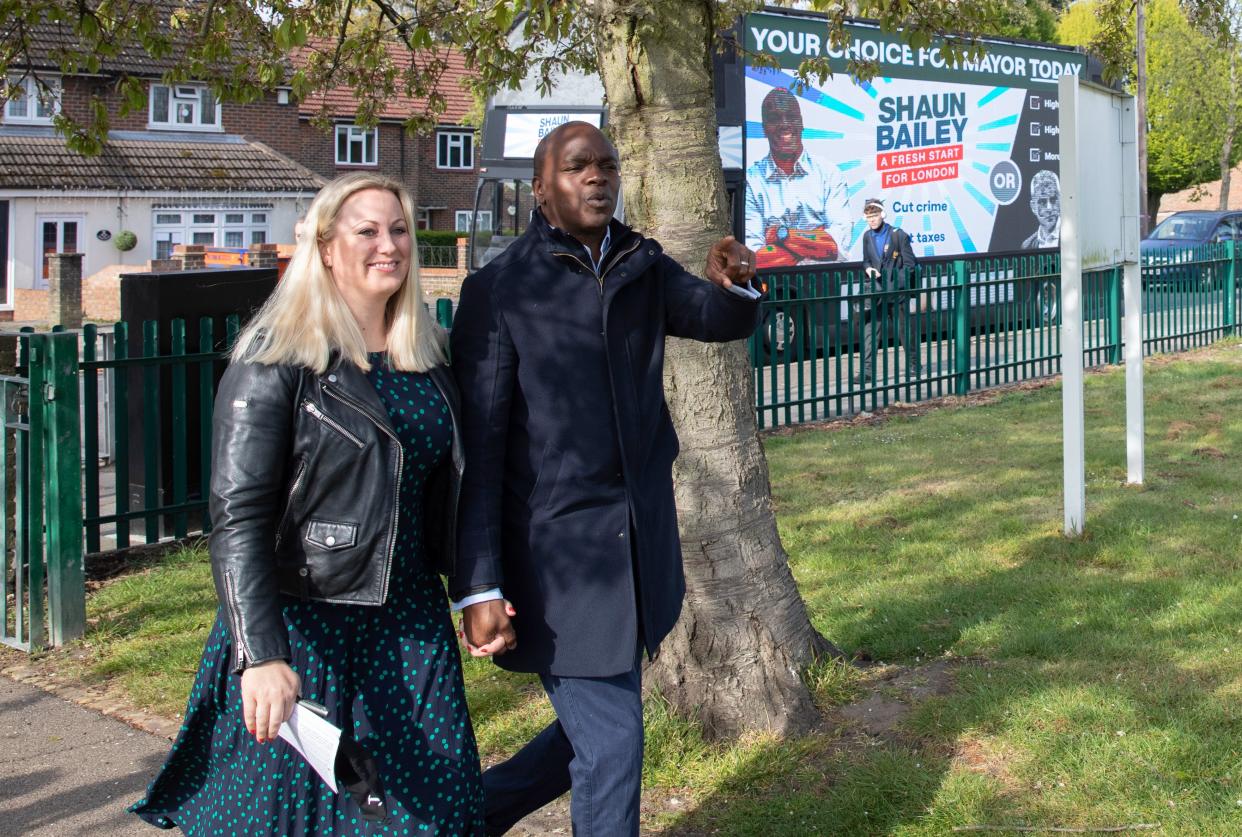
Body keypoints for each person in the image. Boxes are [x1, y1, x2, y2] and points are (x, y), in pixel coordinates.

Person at [130, 172, 485, 835]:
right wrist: (260, 654)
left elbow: (449, 493)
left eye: (400, 228)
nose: (391, 245)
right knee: (290, 820)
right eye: (368, 231)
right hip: (303, 625)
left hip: (409, 625)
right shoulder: (277, 359)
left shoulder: (427, 359)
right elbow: (238, 516)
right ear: (325, 248)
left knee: (429, 814)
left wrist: (476, 588)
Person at [449, 121, 761, 836]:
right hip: (557, 564)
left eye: (607, 165)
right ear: (541, 189)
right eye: (578, 166)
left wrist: (734, 284)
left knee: (597, 729)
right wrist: (479, 583)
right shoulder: (499, 290)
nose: (598, 177)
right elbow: (483, 453)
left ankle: (461, 816)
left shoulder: (640, 264)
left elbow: (713, 318)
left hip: (637, 554)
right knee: (614, 742)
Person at [744, 86, 853, 268]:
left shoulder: (829, 174)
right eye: (774, 118)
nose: (784, 124)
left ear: (801, 123)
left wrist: (781, 235)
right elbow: (754, 258)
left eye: (791, 116)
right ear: (764, 129)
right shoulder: (752, 181)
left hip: (823, 285)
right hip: (773, 289)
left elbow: (837, 245)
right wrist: (815, 242)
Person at [857, 197, 920, 383]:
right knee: (870, 332)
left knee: (904, 331)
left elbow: (910, 264)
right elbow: (866, 260)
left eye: (874, 216)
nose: (872, 220)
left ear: (882, 215)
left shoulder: (898, 235)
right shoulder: (867, 237)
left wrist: (894, 282)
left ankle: (914, 364)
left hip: (896, 293)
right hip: (876, 293)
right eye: (868, 217)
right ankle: (867, 372)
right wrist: (868, 269)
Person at [1022, 169, 1061, 249]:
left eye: (1053, 200)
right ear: (1033, 207)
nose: (1049, 208)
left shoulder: (1073, 235)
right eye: (1042, 202)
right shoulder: (1027, 246)